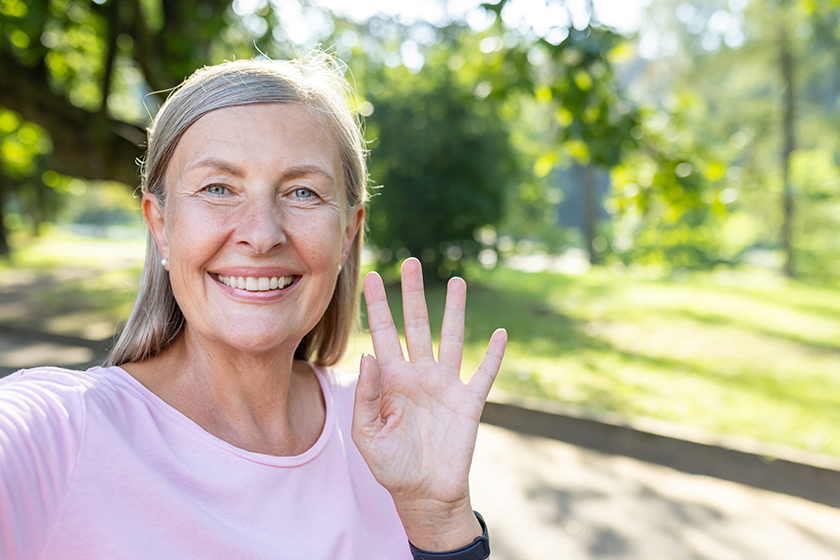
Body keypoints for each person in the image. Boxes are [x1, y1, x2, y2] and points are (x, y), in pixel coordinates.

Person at [0, 53, 506, 560]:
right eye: (218, 188)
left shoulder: (387, 427)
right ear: (160, 226)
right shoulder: (59, 431)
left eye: (302, 192)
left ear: (347, 233)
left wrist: (439, 520)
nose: (262, 234)